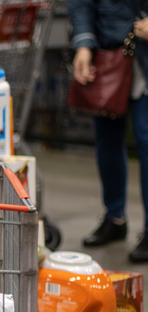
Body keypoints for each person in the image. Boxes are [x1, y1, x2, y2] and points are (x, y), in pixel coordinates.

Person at [69, 0, 148, 262]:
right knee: (107, 140)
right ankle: (115, 219)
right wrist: (83, 44)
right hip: (109, 55)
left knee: (146, 138)